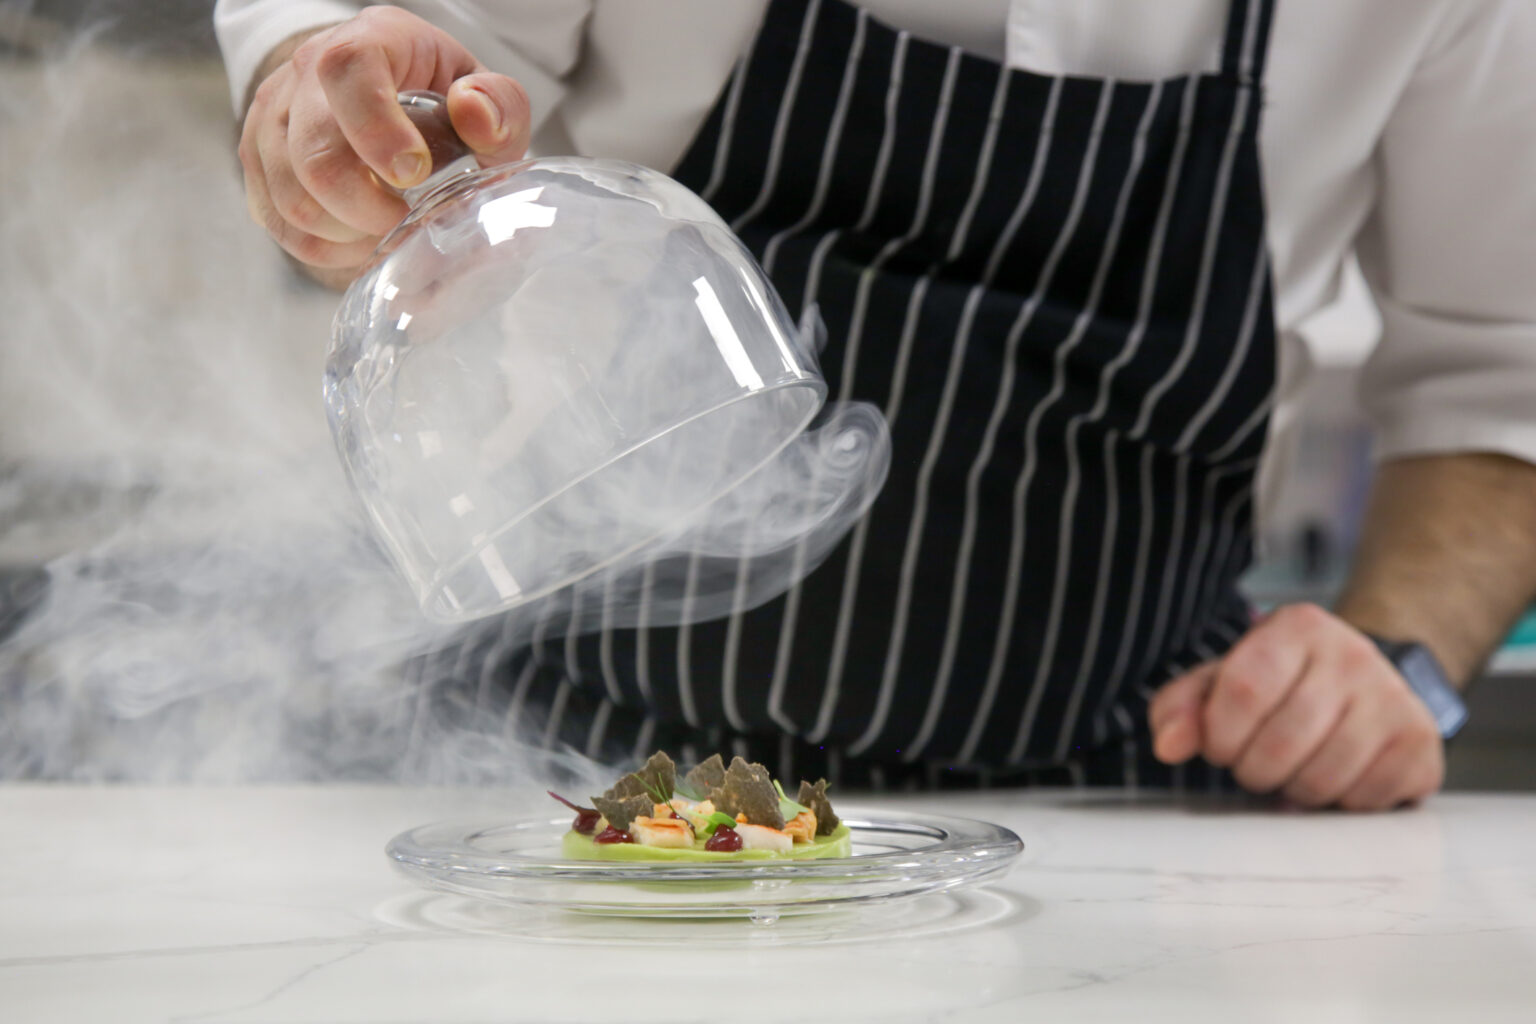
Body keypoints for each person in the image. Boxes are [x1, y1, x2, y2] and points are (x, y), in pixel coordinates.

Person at [215, 0, 1536, 809]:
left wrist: (1393, 665)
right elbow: (394, 100)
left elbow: (1500, 386)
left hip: (1128, 816)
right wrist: (343, 127)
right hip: (566, 790)